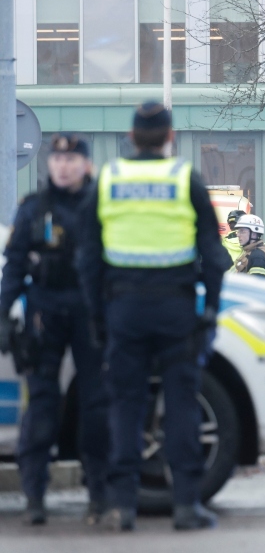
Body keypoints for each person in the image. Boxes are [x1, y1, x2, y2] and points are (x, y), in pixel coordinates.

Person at [76, 101, 231, 531]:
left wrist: (97, 314)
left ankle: (123, 505)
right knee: (181, 401)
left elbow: (88, 257)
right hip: (175, 308)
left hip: (123, 308)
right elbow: (213, 255)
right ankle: (185, 505)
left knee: (126, 403)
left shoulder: (108, 180)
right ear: (169, 137)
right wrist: (211, 310)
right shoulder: (185, 179)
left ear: (130, 136)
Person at [0, 134, 109, 526]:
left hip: (89, 314)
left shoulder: (101, 207)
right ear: (50, 165)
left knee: (96, 407)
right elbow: (13, 266)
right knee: (42, 407)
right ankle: (34, 498)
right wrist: (1, 314)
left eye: (71, 158)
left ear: (85, 163)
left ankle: (99, 495)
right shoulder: (34, 208)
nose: (63, 165)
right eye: (57, 158)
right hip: (44, 313)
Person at [231, 214, 265, 280]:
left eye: (242, 231)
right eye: (238, 231)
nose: (238, 235)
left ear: (254, 234)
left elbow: (257, 286)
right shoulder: (249, 252)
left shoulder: (257, 257)